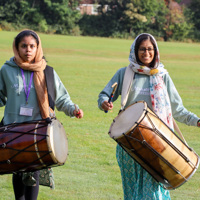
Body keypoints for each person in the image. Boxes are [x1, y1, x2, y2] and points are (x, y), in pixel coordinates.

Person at [98, 33, 200, 200]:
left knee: (153, 194)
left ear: (156, 51)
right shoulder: (124, 73)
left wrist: (197, 121)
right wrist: (104, 103)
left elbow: (177, 109)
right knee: (132, 195)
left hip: (158, 144)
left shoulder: (162, 76)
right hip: (129, 145)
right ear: (135, 51)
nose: (146, 53)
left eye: (150, 49)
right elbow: (104, 95)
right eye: (142, 49)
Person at [0, 29, 83, 200]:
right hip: (12, 131)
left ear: (38, 48)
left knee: (33, 172)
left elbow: (61, 99)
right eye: (24, 46)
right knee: (17, 171)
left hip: (37, 132)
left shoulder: (48, 72)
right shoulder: (6, 70)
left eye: (32, 46)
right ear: (16, 48)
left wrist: (73, 109)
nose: (28, 50)